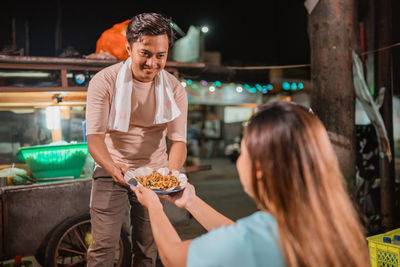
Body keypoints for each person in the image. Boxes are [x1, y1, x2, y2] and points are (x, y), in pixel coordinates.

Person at [132, 101, 371, 267]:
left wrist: (154, 205)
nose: (239, 161)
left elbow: (174, 258)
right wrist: (191, 202)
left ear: (259, 169)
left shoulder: (258, 237)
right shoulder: (334, 221)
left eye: (242, 153)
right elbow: (241, 236)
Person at [85, 12, 188, 267]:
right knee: (103, 249)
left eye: (160, 55)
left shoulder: (174, 89)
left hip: (153, 173)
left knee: (147, 248)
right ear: (129, 48)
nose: (152, 63)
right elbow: (94, 139)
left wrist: (170, 175)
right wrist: (113, 168)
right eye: (145, 53)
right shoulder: (104, 82)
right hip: (111, 169)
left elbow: (178, 141)